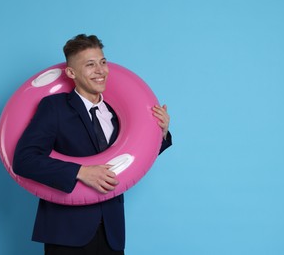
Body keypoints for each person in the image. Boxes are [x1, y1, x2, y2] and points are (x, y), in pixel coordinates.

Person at [13, 34, 172, 255]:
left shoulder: (119, 114)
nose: (100, 70)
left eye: (102, 62)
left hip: (111, 232)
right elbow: (24, 160)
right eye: (90, 65)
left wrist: (160, 134)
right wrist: (79, 172)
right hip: (66, 233)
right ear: (71, 73)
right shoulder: (54, 108)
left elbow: (133, 159)